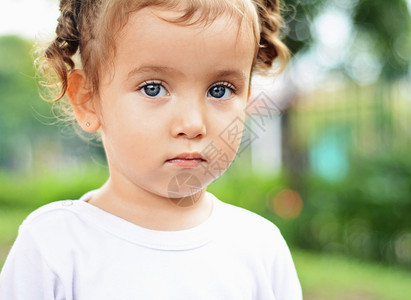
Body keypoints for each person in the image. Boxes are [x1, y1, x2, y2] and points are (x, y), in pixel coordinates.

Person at [0, 0, 302, 299]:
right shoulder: (54, 249)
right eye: (153, 88)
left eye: (219, 90)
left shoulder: (260, 249)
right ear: (87, 98)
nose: (193, 124)